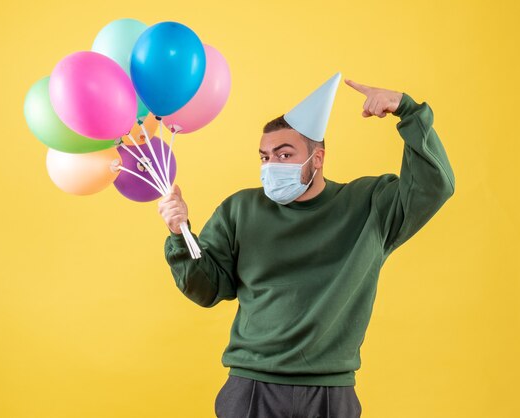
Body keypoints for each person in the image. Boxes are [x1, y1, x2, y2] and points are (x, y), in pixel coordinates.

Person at [158, 72, 455, 418]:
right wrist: (181, 236)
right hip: (252, 387)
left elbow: (435, 185)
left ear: (317, 159)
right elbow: (208, 289)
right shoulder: (240, 209)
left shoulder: (369, 205)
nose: (271, 167)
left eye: (284, 155)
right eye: (265, 157)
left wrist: (408, 110)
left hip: (330, 392)